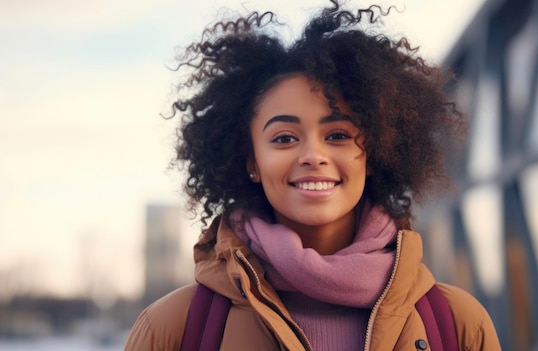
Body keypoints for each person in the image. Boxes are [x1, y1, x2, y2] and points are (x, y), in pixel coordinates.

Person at [125, 1, 501, 350]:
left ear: (373, 154)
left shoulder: (457, 325)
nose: (313, 156)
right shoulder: (175, 328)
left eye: (337, 135)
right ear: (251, 160)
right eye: (285, 138)